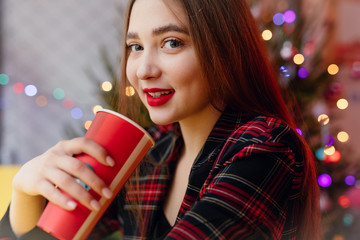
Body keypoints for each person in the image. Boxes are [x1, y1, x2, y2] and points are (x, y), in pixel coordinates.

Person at [0, 0, 322, 239]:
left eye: (171, 43)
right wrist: (25, 188)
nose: (143, 70)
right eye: (136, 46)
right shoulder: (151, 151)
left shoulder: (264, 149)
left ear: (223, 49)